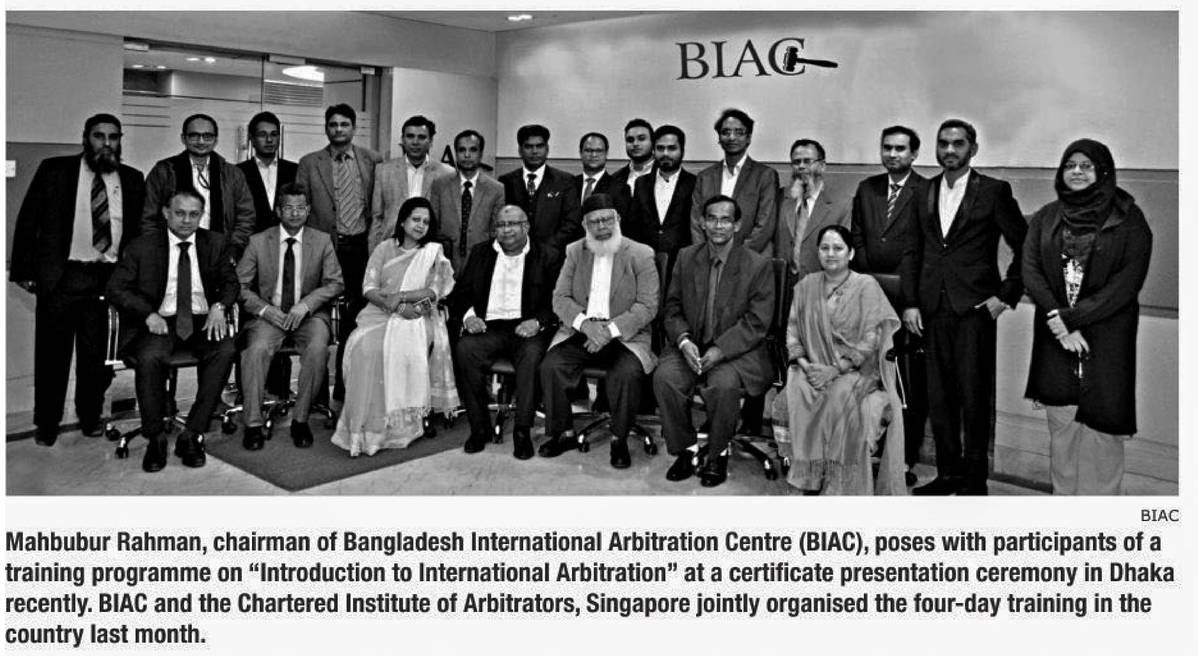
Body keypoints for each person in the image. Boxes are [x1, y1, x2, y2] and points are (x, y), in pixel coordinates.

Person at [901, 118, 1027, 496]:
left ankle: (974, 482)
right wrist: (910, 303)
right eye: (943, 143)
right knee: (938, 399)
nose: (950, 150)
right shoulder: (922, 191)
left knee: (973, 398)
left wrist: (1005, 295)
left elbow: (1027, 246)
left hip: (975, 310)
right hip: (931, 310)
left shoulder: (993, 191)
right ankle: (948, 475)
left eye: (958, 143)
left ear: (973, 149)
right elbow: (912, 251)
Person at [1022, 139, 1152, 495]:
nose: (1077, 172)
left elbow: (1127, 283)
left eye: (1086, 165)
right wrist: (1057, 320)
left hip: (1105, 336)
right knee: (1062, 426)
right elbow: (1030, 269)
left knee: (1102, 430)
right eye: (1070, 165)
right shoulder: (1047, 216)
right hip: (1056, 337)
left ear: (1103, 171)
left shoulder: (1129, 218)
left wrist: (1073, 319)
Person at [10, 113, 146, 445]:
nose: (106, 143)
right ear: (86, 138)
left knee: (96, 358)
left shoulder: (131, 178)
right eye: (99, 136)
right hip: (63, 277)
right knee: (52, 356)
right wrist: (24, 271)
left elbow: (138, 233)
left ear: (120, 140)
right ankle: (47, 424)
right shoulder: (55, 171)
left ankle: (90, 416)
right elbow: (29, 219)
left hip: (107, 279)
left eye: (113, 137)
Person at [106, 190, 238, 473]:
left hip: (202, 319)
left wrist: (220, 306)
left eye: (194, 214)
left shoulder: (215, 243)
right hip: (159, 321)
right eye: (180, 213)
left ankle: (193, 433)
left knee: (225, 350)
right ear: (166, 213)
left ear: (201, 215)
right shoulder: (142, 246)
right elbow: (116, 288)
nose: (187, 220)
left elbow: (231, 283)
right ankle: (155, 437)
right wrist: (147, 314)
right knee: (149, 357)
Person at [653, 195, 774, 488]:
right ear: (702, 223)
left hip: (736, 351)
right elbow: (672, 307)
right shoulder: (686, 257)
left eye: (725, 220)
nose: (718, 226)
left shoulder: (757, 265)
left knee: (723, 385)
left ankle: (718, 454)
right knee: (665, 377)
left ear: (737, 225)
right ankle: (686, 449)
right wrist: (683, 341)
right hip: (691, 345)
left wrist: (721, 349)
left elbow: (757, 321)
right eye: (712, 219)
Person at [774, 225, 906, 495]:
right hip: (811, 366)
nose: (831, 254)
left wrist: (835, 369)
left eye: (838, 248)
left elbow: (870, 340)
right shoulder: (806, 286)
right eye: (825, 248)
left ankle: (838, 483)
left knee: (838, 396)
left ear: (851, 253)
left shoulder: (866, 286)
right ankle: (808, 476)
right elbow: (792, 334)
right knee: (798, 390)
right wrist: (808, 367)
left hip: (855, 370)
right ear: (818, 252)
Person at [538, 193, 659, 468]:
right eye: (594, 222)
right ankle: (564, 433)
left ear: (618, 219)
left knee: (626, 373)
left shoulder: (641, 253)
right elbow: (560, 298)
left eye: (607, 220)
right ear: (585, 225)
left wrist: (608, 331)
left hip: (626, 334)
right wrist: (586, 325)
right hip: (582, 329)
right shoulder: (574, 252)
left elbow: (647, 306)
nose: (602, 226)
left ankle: (619, 439)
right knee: (551, 366)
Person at [331, 197, 458, 456]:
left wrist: (402, 297)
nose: (421, 225)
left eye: (426, 222)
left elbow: (434, 292)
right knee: (365, 349)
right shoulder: (384, 248)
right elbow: (369, 288)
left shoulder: (432, 252)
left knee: (400, 349)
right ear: (402, 221)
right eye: (415, 219)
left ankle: (400, 426)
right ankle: (364, 429)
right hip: (379, 313)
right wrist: (397, 307)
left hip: (419, 316)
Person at [850, 125, 930, 486]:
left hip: (909, 299)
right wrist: (869, 280)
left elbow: (925, 247)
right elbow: (858, 237)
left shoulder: (927, 190)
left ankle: (905, 457)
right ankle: (868, 450)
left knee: (907, 382)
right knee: (868, 374)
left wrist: (906, 291)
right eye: (887, 148)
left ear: (914, 154)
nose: (893, 154)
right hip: (869, 294)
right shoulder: (867, 188)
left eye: (900, 149)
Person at [236, 184, 344, 450]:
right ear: (278, 211)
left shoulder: (322, 240)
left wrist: (306, 305)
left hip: (308, 315)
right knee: (256, 351)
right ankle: (253, 424)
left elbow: (335, 283)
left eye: (300, 208)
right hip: (269, 316)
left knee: (318, 349)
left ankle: (301, 420)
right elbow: (239, 286)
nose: (295, 213)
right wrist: (265, 310)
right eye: (288, 208)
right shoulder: (258, 241)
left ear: (308, 210)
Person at [449, 206, 560, 459]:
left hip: (526, 327)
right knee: (465, 349)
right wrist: (469, 317)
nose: (506, 230)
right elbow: (461, 294)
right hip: (488, 326)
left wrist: (538, 322)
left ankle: (522, 430)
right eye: (500, 225)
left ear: (526, 226)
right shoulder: (481, 253)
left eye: (512, 224)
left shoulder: (547, 255)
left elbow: (558, 299)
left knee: (531, 357)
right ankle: (480, 428)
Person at [296, 103, 383, 402]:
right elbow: (301, 209)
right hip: (323, 247)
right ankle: (316, 394)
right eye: (333, 124)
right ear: (326, 128)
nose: (338, 130)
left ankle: (346, 386)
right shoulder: (309, 163)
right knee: (318, 317)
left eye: (344, 124)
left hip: (360, 247)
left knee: (355, 317)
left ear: (354, 128)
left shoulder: (372, 160)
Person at [142, 114, 255, 261]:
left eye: (207, 136)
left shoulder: (232, 174)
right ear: (183, 138)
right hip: (172, 252)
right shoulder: (164, 171)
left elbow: (246, 217)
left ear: (215, 140)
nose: (201, 141)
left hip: (220, 252)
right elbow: (148, 217)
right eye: (194, 136)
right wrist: (157, 251)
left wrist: (234, 248)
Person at [690, 108, 778, 252]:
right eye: (726, 132)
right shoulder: (705, 177)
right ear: (719, 138)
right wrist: (704, 253)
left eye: (739, 132)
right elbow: (696, 222)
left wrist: (738, 256)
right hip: (708, 258)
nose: (731, 137)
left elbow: (765, 225)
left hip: (749, 258)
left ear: (749, 138)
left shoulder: (765, 175)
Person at [370, 114, 456, 253]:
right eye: (410, 136)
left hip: (429, 248)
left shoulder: (446, 173)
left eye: (421, 137)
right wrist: (374, 252)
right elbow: (377, 217)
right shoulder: (384, 171)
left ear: (430, 141)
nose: (415, 142)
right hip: (392, 246)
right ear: (402, 139)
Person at [431, 129, 505, 273]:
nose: (467, 155)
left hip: (480, 264)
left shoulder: (496, 189)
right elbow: (434, 226)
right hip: (444, 262)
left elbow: (495, 232)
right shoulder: (440, 185)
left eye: (473, 150)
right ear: (455, 153)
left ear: (481, 154)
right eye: (461, 150)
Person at [498, 124, 582, 251]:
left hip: (554, 254)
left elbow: (571, 222)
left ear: (547, 149)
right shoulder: (506, 181)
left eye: (539, 146)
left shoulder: (565, 181)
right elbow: (501, 221)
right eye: (528, 146)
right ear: (520, 150)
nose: (534, 151)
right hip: (514, 253)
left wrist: (547, 249)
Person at [625, 125, 697, 265]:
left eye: (672, 148)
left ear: (682, 150)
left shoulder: (694, 183)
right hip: (645, 261)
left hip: (682, 262)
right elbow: (633, 225)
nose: (665, 154)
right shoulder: (641, 183)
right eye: (660, 148)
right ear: (653, 150)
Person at [237, 111, 298, 233]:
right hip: (249, 239)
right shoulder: (238, 172)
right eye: (262, 135)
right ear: (252, 139)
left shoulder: (295, 170)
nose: (269, 140)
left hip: (286, 238)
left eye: (274, 134)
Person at [574, 131, 630, 219]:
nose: (593, 155)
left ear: (606, 154)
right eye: (588, 150)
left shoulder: (620, 188)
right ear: (580, 153)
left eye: (599, 151)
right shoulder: (570, 184)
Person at [609, 118, 656, 194]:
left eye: (641, 139)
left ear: (652, 142)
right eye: (630, 140)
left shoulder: (666, 173)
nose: (635, 144)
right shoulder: (615, 178)